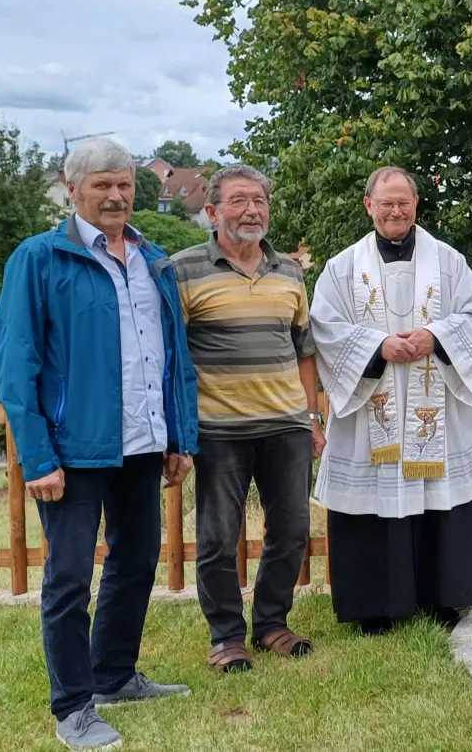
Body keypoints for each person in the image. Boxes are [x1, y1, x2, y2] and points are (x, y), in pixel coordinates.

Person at [0, 137, 199, 751]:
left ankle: (113, 676)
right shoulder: (39, 258)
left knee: (136, 563)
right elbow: (15, 362)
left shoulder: (152, 259)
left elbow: (172, 361)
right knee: (68, 578)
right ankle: (73, 706)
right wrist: (39, 455)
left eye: (124, 184)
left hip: (141, 444)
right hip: (72, 452)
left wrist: (177, 436)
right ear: (72, 186)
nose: (115, 195)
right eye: (102, 184)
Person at [310, 166, 472, 634]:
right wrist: (377, 346)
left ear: (416, 206)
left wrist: (435, 335)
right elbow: (324, 328)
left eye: (404, 203)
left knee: (439, 501)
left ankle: (441, 601)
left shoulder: (449, 262)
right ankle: (372, 609)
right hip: (371, 408)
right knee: (371, 507)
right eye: (386, 203)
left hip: (433, 407)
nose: (396, 211)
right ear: (368, 205)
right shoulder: (342, 267)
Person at [170, 165, 324, 673]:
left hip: (286, 426)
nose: (251, 210)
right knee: (217, 538)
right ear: (212, 212)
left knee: (291, 530)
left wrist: (310, 415)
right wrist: (179, 431)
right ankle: (226, 637)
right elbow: (170, 356)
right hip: (218, 430)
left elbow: (304, 349)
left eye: (258, 200)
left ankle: (273, 625)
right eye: (238, 201)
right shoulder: (183, 270)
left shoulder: (290, 271)